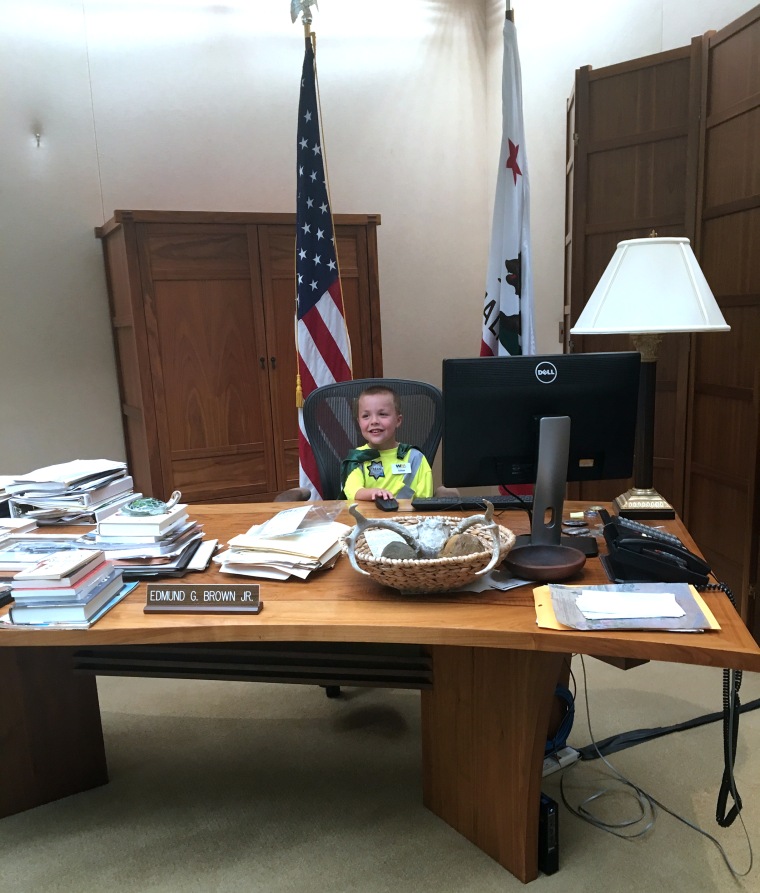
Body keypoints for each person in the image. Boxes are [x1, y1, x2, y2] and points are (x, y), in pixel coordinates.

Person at [340, 385, 434, 501]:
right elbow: (353, 491)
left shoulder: (415, 458)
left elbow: (425, 502)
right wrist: (374, 493)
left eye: (382, 414)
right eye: (366, 416)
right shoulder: (356, 459)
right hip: (367, 517)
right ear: (359, 423)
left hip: (408, 518)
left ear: (398, 421)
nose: (374, 421)